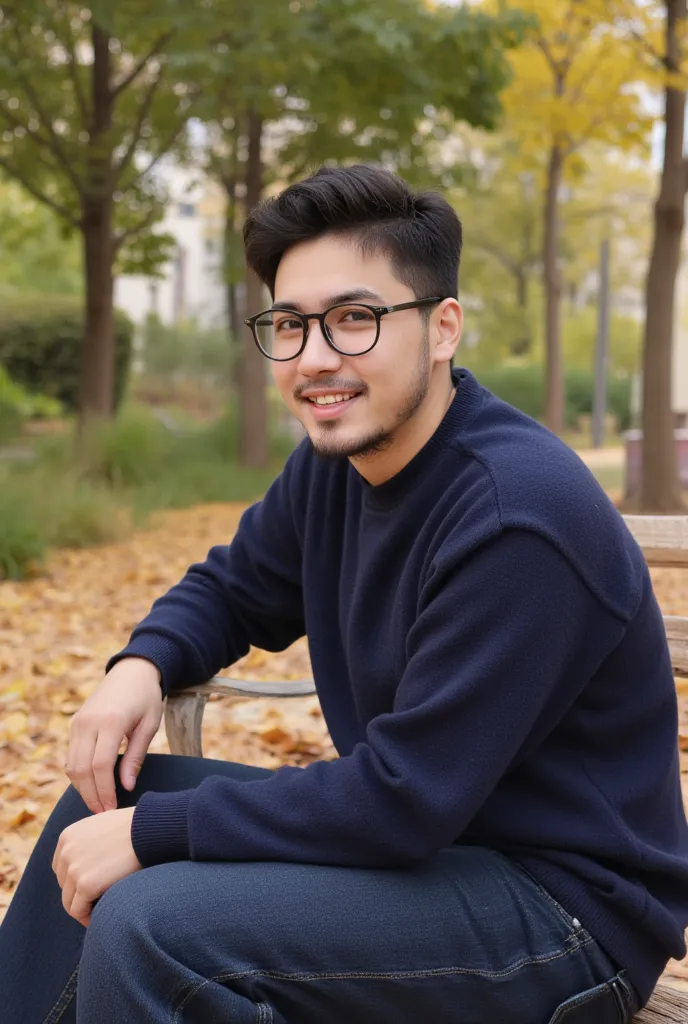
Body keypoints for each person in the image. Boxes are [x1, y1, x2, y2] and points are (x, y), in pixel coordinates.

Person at [1, 164, 687, 1024]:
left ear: (443, 329)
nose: (316, 358)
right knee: (101, 798)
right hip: (432, 856)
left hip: (562, 912)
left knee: (152, 923)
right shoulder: (338, 468)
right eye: (289, 325)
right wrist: (140, 664)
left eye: (355, 319)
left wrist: (155, 837)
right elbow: (231, 587)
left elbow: (405, 797)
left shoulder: (518, 516)